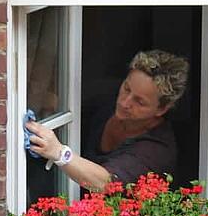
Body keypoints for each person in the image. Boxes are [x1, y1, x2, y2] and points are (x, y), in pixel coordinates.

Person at [25, 50, 189, 191]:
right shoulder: (107, 93)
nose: (125, 103)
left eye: (139, 102)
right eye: (126, 88)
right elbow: (59, 102)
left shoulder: (157, 150)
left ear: (161, 109)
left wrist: (59, 153)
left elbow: (106, 183)